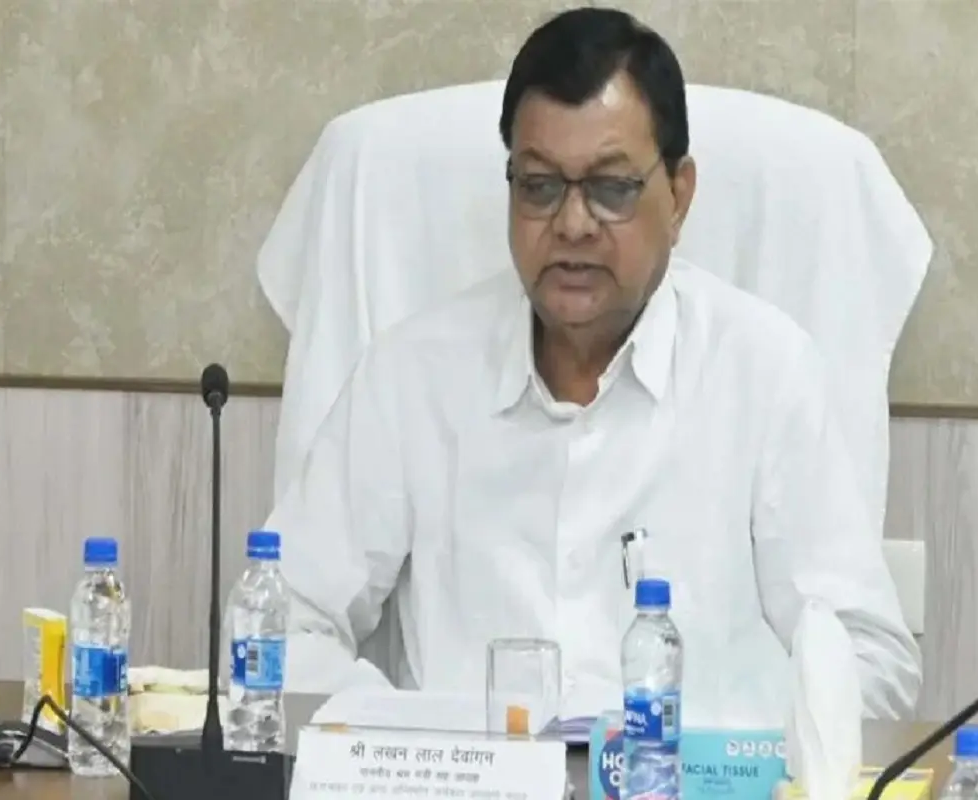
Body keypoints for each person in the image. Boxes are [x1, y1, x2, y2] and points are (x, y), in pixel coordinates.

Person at [269, 6, 921, 724]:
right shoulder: (411, 377)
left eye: (611, 189)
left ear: (679, 196)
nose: (572, 224)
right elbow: (280, 624)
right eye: (539, 186)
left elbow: (871, 663)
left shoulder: (764, 373)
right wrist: (413, 737)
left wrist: (727, 757)